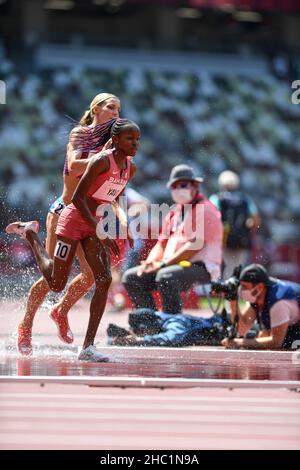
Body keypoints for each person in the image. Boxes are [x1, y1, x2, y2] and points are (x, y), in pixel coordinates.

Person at [6, 119, 140, 361]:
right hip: (73, 220)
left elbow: (114, 197)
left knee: (104, 279)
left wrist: (120, 225)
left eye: (138, 139)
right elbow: (78, 198)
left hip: (92, 224)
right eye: (130, 138)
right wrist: (101, 229)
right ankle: (30, 234)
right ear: (116, 139)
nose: (135, 143)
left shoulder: (130, 168)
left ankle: (87, 347)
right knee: (56, 283)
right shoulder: (101, 161)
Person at [122, 164, 223, 314]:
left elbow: (194, 246)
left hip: (201, 266)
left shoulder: (205, 210)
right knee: (132, 277)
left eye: (182, 185)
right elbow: (161, 244)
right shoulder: (175, 212)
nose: (178, 189)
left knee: (166, 276)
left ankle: (172, 324)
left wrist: (163, 264)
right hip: (172, 264)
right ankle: (151, 324)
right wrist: (150, 263)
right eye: (174, 186)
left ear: (194, 186)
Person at [222, 263, 300, 350]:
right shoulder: (258, 295)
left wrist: (240, 343)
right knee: (262, 337)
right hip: (293, 327)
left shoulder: (278, 302)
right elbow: (241, 328)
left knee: (279, 345)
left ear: (259, 287)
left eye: (244, 286)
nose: (241, 290)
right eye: (241, 286)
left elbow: (276, 342)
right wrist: (233, 299)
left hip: (295, 331)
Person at [210, 170, 261, 279]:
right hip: (242, 239)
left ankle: (226, 290)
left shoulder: (217, 199)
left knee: (226, 266)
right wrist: (247, 230)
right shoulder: (245, 200)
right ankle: (235, 289)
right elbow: (255, 220)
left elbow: (212, 218)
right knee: (238, 267)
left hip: (224, 239)